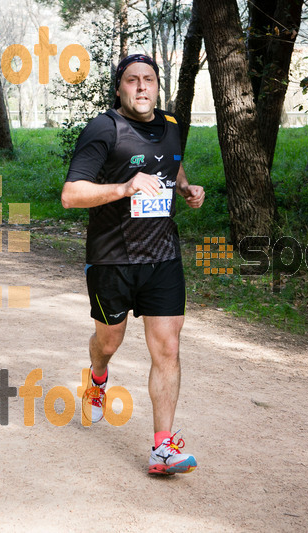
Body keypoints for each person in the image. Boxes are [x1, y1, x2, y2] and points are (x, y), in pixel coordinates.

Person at [61, 54, 205, 475]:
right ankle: (98, 376)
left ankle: (163, 448)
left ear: (158, 86)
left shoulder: (173, 126)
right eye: (132, 80)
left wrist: (185, 188)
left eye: (149, 80)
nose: (142, 87)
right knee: (109, 342)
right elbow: (71, 194)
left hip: (163, 257)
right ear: (119, 88)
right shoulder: (104, 128)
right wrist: (124, 187)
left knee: (168, 347)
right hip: (113, 259)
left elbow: (170, 168)